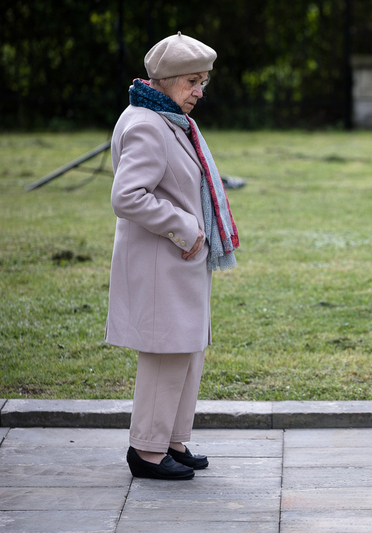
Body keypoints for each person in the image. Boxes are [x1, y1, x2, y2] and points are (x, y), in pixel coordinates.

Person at [106, 32, 239, 480]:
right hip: (162, 262)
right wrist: (185, 228)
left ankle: (172, 441)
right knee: (166, 355)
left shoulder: (170, 117)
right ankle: (145, 452)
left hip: (180, 263)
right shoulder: (146, 122)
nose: (200, 91)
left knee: (187, 351)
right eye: (192, 82)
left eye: (203, 81)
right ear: (163, 81)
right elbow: (127, 196)